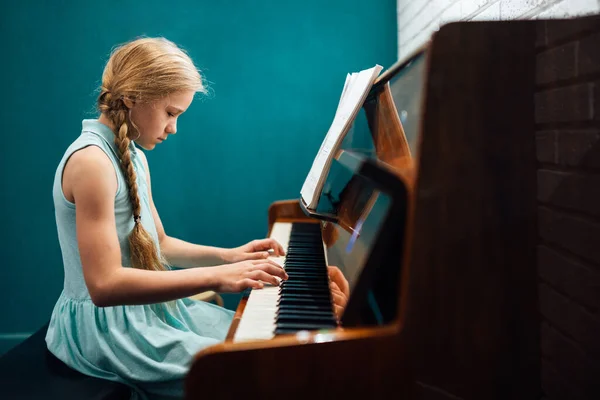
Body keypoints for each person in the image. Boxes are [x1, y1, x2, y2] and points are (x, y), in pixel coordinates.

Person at [45, 37, 349, 400]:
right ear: (131, 97)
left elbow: (161, 243)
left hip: (146, 313)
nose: (173, 127)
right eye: (171, 113)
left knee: (263, 346)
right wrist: (218, 277)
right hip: (107, 330)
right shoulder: (92, 162)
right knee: (248, 371)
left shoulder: (133, 156)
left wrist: (229, 256)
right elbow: (104, 286)